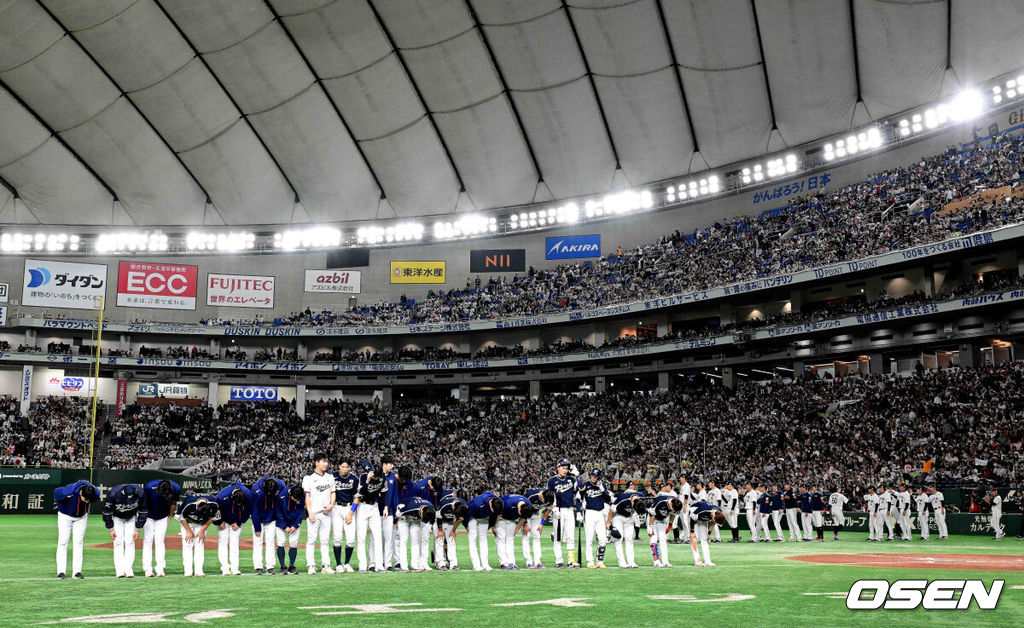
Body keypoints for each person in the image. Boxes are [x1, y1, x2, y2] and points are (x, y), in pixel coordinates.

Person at [54, 480, 99, 579]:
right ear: (80, 493)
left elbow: (96, 495)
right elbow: (56, 493)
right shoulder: (69, 491)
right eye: (85, 499)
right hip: (65, 516)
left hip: (81, 517)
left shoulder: (95, 492)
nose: (87, 501)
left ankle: (77, 572)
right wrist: (62, 501)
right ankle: (61, 571)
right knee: (63, 542)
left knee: (78, 542)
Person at [350, 458, 387, 572]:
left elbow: (384, 492)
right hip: (363, 507)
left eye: (378, 476)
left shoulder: (382, 477)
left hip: (374, 508)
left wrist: (385, 507)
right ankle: (362, 566)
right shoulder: (363, 477)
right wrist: (367, 480)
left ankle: (379, 565)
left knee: (378, 537)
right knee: (361, 537)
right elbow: (360, 493)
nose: (376, 478)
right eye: (375, 476)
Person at [302, 453, 336, 574]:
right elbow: (307, 496)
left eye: (327, 461)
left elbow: (333, 492)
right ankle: (311, 565)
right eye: (323, 461)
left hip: (326, 513)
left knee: (325, 540)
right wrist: (310, 512)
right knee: (311, 540)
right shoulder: (308, 478)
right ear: (317, 462)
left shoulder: (330, 477)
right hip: (314, 513)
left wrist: (331, 505)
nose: (326, 463)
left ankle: (325, 565)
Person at [102, 484, 144, 578]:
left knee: (130, 542)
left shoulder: (140, 493)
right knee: (118, 542)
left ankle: (129, 569)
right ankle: (119, 570)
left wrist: (137, 528)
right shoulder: (113, 494)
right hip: (117, 518)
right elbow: (107, 512)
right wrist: (110, 528)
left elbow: (143, 510)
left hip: (131, 517)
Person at [141, 479, 179, 577]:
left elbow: (174, 503)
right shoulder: (149, 487)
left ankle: (160, 568)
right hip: (148, 516)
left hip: (163, 516)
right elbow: (143, 504)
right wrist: (142, 517)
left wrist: (170, 516)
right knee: (148, 540)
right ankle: (147, 568)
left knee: (160, 540)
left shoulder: (176, 488)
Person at [175, 493, 219, 577]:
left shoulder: (214, 503)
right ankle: (188, 571)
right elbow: (180, 517)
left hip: (202, 524)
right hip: (187, 522)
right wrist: (188, 531)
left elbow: (212, 518)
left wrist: (202, 530)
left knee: (199, 545)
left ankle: (199, 570)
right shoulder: (188, 503)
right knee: (187, 544)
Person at [548, 459, 579, 568]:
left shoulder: (571, 479)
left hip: (570, 509)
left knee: (570, 536)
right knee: (557, 537)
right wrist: (553, 508)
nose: (565, 470)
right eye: (563, 468)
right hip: (558, 510)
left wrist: (577, 475)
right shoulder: (552, 481)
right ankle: (559, 561)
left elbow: (581, 488)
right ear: (558, 467)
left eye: (566, 468)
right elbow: (549, 496)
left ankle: (571, 560)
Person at [215, 482, 251, 576]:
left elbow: (248, 510)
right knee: (223, 543)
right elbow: (215, 509)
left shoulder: (248, 495)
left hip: (236, 521)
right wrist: (219, 522)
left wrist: (239, 523)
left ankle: (235, 568)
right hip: (223, 521)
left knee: (234, 544)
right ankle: (225, 568)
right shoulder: (222, 495)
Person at [578, 468, 611, 568]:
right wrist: (579, 512)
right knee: (589, 539)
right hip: (589, 513)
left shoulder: (602, 485)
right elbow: (578, 498)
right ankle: (590, 562)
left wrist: (603, 490)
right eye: (592, 476)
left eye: (595, 476)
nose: (593, 478)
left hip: (600, 513)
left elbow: (608, 499)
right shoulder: (586, 485)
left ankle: (599, 561)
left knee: (602, 539)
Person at [250, 476, 283, 575]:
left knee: (271, 542)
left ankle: (270, 566)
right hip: (259, 518)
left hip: (271, 518)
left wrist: (279, 520)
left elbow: (280, 503)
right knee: (257, 542)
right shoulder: (255, 490)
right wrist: (257, 527)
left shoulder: (280, 485)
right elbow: (254, 510)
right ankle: (258, 567)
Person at [330, 460, 358, 573]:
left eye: (347, 467)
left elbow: (357, 497)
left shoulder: (354, 479)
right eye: (343, 466)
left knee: (351, 539)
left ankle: (347, 563)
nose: (345, 469)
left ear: (350, 467)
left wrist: (351, 512)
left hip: (349, 508)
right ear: (339, 466)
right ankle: (338, 564)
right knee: (337, 537)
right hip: (336, 507)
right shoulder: (332, 477)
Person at [607, 487, 645, 568]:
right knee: (619, 539)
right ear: (632, 502)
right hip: (618, 517)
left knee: (629, 539)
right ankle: (622, 563)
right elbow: (611, 510)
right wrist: (608, 522)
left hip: (629, 518)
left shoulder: (641, 497)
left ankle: (631, 562)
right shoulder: (622, 498)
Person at [395, 496, 436, 572]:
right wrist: (395, 522)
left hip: (415, 518)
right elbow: (398, 513)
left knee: (415, 541)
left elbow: (432, 520)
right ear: (421, 512)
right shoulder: (410, 508)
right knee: (404, 540)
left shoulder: (431, 509)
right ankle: (404, 566)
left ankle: (415, 565)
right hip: (403, 515)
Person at [497, 494, 536, 569]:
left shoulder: (528, 505)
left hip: (512, 520)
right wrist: (494, 527)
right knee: (501, 539)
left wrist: (516, 530)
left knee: (510, 540)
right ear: (518, 508)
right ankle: (504, 563)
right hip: (500, 518)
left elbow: (523, 518)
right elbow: (497, 515)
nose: (520, 515)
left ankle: (512, 562)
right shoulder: (507, 503)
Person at [466, 491, 503, 571]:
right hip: (472, 516)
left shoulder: (497, 503)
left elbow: (494, 515)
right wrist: (466, 525)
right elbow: (467, 514)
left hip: (484, 518)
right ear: (490, 505)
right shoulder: (477, 503)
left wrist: (492, 526)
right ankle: (476, 565)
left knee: (483, 539)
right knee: (472, 539)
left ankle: (485, 564)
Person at [413, 475, 444, 570]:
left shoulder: (439, 487)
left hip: (435, 512)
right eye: (433, 488)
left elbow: (439, 502)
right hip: (424, 514)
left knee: (439, 537)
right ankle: (423, 563)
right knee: (424, 539)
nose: (434, 490)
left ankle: (439, 562)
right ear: (430, 482)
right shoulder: (420, 486)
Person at [274, 485, 305, 574]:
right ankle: (283, 566)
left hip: (294, 522)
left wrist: (295, 525)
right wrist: (284, 526)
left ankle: (292, 566)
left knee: (294, 543)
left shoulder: (301, 495)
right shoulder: (281, 496)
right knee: (281, 542)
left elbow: (300, 511)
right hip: (282, 522)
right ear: (290, 494)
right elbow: (278, 513)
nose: (296, 501)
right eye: (295, 499)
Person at [687, 499, 726, 567]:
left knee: (705, 539)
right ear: (713, 516)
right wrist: (692, 532)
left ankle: (707, 561)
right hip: (693, 514)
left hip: (703, 518)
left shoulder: (719, 512)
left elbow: (713, 522)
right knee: (693, 539)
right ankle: (697, 561)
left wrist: (708, 534)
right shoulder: (703, 510)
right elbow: (692, 518)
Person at [435, 491, 468, 570]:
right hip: (439, 520)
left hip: (450, 521)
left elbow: (460, 518)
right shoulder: (445, 505)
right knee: (440, 540)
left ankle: (453, 564)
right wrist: (440, 529)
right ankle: (440, 563)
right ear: (453, 508)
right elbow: (438, 517)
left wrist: (453, 530)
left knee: (451, 540)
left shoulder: (464, 506)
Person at [647, 494, 682, 567]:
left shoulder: (676, 504)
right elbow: (652, 514)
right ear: (671, 504)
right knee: (654, 538)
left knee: (663, 539)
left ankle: (665, 561)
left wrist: (670, 525)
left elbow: (673, 514)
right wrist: (650, 527)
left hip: (663, 519)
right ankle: (656, 561)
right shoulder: (660, 501)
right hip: (652, 518)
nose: (674, 510)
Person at [523, 488, 554, 568]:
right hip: (526, 515)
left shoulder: (549, 496)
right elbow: (522, 510)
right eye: (545, 500)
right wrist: (525, 523)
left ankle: (538, 562)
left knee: (537, 537)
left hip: (536, 516)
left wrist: (542, 524)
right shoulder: (531, 496)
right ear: (542, 496)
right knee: (526, 536)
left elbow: (547, 510)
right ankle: (528, 562)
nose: (546, 502)